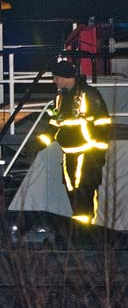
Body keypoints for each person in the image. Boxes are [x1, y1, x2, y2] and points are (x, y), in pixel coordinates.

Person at [38, 61, 110, 224]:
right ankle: (79, 228)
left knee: (84, 191)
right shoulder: (60, 98)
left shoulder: (89, 94)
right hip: (69, 153)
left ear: (65, 77)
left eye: (56, 77)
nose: (54, 81)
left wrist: (99, 152)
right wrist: (40, 144)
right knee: (73, 191)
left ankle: (86, 231)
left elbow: (103, 123)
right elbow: (55, 123)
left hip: (88, 152)